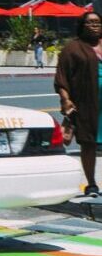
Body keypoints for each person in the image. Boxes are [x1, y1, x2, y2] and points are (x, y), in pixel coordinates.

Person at [55, 10, 102, 199]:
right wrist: (65, 99)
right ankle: (91, 183)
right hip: (87, 103)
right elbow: (62, 78)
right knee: (89, 143)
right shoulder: (72, 49)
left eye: (97, 23)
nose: (94, 26)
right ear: (82, 26)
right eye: (89, 23)